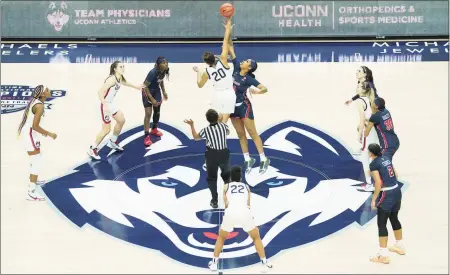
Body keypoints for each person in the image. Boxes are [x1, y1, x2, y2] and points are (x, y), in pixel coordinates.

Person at [208, 165, 273, 272]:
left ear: (230, 177)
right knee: (256, 237)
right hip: (245, 213)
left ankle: (214, 263)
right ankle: (264, 263)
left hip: (230, 213)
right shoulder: (246, 187)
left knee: (221, 237)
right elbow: (248, 204)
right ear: (240, 177)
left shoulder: (226, 186)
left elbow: (226, 203)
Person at [227, 37, 270, 174]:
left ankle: (263, 159)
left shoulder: (249, 79)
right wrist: (228, 30)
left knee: (252, 133)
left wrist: (256, 92)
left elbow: (265, 88)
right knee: (240, 134)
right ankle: (248, 159)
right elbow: (230, 48)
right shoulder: (235, 67)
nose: (243, 61)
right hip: (231, 107)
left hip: (244, 107)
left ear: (249, 67)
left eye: (246, 62)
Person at [88, 61, 145, 160]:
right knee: (106, 129)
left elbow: (125, 82)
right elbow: (100, 92)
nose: (123, 68)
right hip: (105, 104)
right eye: (120, 67)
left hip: (111, 104)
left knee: (121, 120)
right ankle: (92, 149)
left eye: (123, 67)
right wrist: (105, 105)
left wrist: (136, 87)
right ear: (115, 69)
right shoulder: (111, 79)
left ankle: (112, 142)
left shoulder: (119, 77)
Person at [17, 85, 57, 201]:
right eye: (47, 90)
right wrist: (49, 133)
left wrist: (42, 133)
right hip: (29, 134)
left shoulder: (37, 102)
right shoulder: (39, 106)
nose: (49, 91)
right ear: (43, 94)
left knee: (38, 157)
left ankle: (34, 179)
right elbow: (35, 126)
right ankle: (31, 191)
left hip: (30, 133)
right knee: (36, 160)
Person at [184, 109, 230, 209]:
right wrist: (220, 120)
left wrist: (192, 125)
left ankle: (214, 200)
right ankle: (228, 198)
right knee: (226, 177)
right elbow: (227, 132)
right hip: (224, 154)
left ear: (207, 120)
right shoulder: (224, 126)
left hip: (212, 155)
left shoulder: (206, 130)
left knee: (212, 179)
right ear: (218, 117)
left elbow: (196, 138)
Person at [193, 18, 235, 124]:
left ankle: (217, 133)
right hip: (229, 92)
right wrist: (228, 26)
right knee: (224, 118)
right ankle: (222, 130)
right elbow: (225, 41)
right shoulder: (223, 60)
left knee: (217, 119)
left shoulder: (207, 71)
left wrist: (198, 71)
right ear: (214, 56)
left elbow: (199, 85)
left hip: (217, 94)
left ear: (206, 62)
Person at [368, 143, 405, 264]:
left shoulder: (374, 164)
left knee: (382, 224)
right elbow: (396, 174)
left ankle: (383, 255)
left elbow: (378, 183)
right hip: (396, 191)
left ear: (371, 153)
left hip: (386, 194)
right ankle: (399, 246)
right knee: (394, 218)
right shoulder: (386, 158)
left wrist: (374, 199)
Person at [354, 81, 378, 191]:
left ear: (363, 90)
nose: (357, 87)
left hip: (367, 131)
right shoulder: (368, 99)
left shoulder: (359, 101)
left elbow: (362, 118)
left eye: (359, 86)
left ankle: (369, 184)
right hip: (372, 129)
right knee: (373, 156)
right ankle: (382, 179)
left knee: (365, 158)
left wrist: (359, 135)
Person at [142, 56, 170, 146]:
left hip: (156, 90)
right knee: (148, 114)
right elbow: (145, 86)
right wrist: (152, 99)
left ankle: (154, 129)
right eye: (164, 63)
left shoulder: (164, 70)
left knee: (157, 112)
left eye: (166, 62)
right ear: (158, 65)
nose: (166, 64)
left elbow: (160, 81)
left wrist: (164, 92)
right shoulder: (152, 73)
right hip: (147, 91)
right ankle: (146, 136)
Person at [364, 97, 400, 161]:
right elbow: (379, 119)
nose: (371, 103)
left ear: (376, 106)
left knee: (378, 162)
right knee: (386, 163)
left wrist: (363, 127)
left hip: (387, 146)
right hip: (395, 141)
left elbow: (366, 133)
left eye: (373, 102)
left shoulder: (375, 117)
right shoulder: (386, 111)